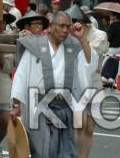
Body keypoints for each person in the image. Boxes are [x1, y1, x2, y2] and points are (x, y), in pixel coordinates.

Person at [10, 11, 99, 158]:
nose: (65, 30)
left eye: (68, 26)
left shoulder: (73, 46)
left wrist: (82, 39)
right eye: (61, 26)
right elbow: (21, 76)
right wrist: (16, 105)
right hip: (39, 107)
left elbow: (89, 64)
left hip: (65, 106)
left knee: (66, 151)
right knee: (45, 150)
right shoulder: (35, 46)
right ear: (50, 27)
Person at [69, 5, 108, 158]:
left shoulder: (100, 35)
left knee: (90, 128)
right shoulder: (68, 36)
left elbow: (92, 56)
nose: (75, 25)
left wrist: (80, 38)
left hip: (95, 84)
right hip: (76, 86)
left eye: (77, 21)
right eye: (71, 22)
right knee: (78, 125)